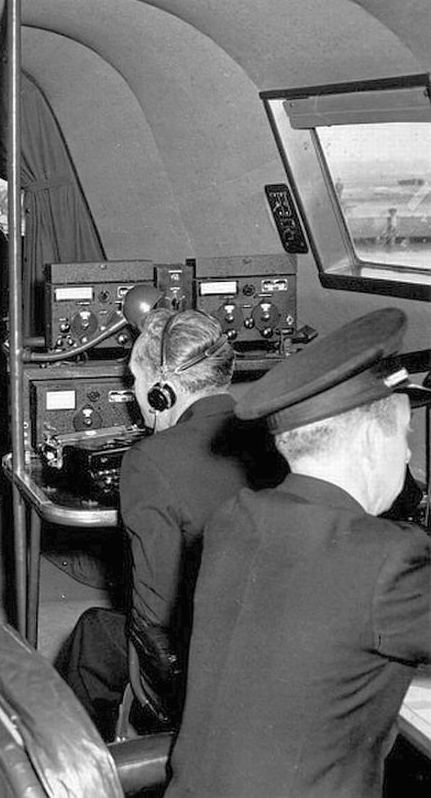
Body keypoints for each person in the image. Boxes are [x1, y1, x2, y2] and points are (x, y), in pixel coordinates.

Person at [166, 308, 431, 798]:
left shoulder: (232, 521)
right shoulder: (388, 558)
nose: (409, 455)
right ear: (374, 439)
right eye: (405, 436)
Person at [56, 308, 285, 740]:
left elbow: (153, 611)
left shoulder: (149, 461)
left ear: (162, 391)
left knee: (93, 633)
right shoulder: (278, 432)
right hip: (280, 656)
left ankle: (77, 772)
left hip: (203, 675)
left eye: (135, 382)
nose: (136, 395)